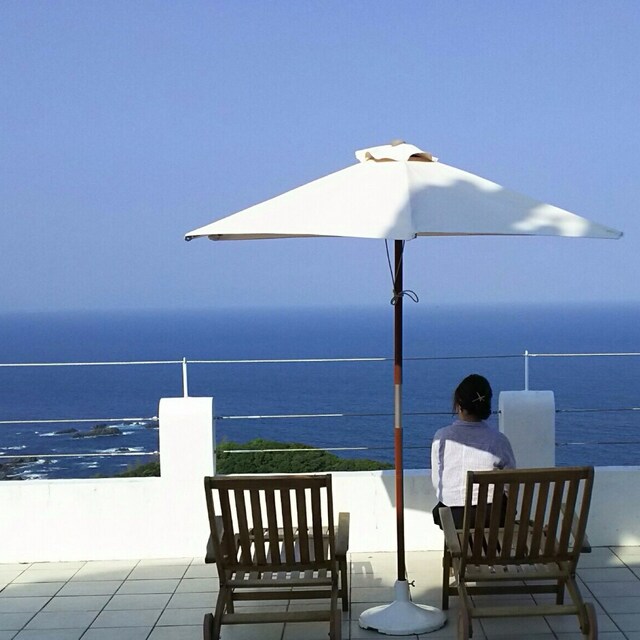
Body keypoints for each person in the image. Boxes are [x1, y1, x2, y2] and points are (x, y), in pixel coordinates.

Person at [431, 374, 516, 529]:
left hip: (454, 519)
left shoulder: (442, 437)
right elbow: (510, 484)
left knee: (441, 510)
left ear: (459, 405)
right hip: (491, 519)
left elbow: (438, 482)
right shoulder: (499, 440)